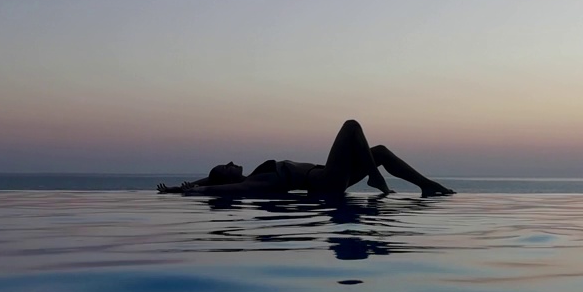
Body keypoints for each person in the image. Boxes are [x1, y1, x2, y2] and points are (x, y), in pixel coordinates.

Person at [156, 120, 455, 197]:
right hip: (325, 182)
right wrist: (200, 191)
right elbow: (224, 188)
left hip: (329, 176)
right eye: (227, 167)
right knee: (351, 126)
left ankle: (426, 185)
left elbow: (214, 179)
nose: (232, 162)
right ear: (229, 178)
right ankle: (376, 178)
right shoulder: (254, 185)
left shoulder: (249, 177)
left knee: (379, 151)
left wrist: (182, 188)